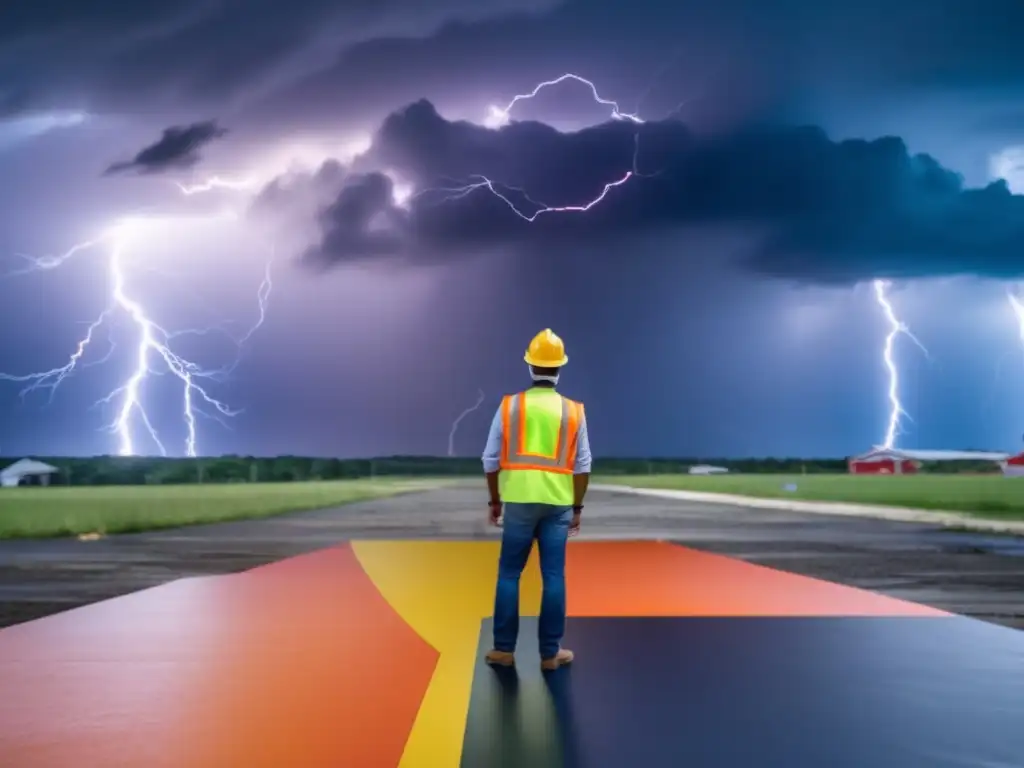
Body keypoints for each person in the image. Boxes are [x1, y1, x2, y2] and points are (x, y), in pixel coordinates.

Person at [480, 328, 592, 671]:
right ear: (559, 369)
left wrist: (495, 501)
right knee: (553, 576)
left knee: (509, 574)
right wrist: (576, 508)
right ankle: (549, 653)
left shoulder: (509, 406)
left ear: (530, 367)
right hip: (558, 503)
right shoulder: (574, 411)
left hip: (518, 502)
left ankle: (503, 650)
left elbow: (489, 459)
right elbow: (583, 464)